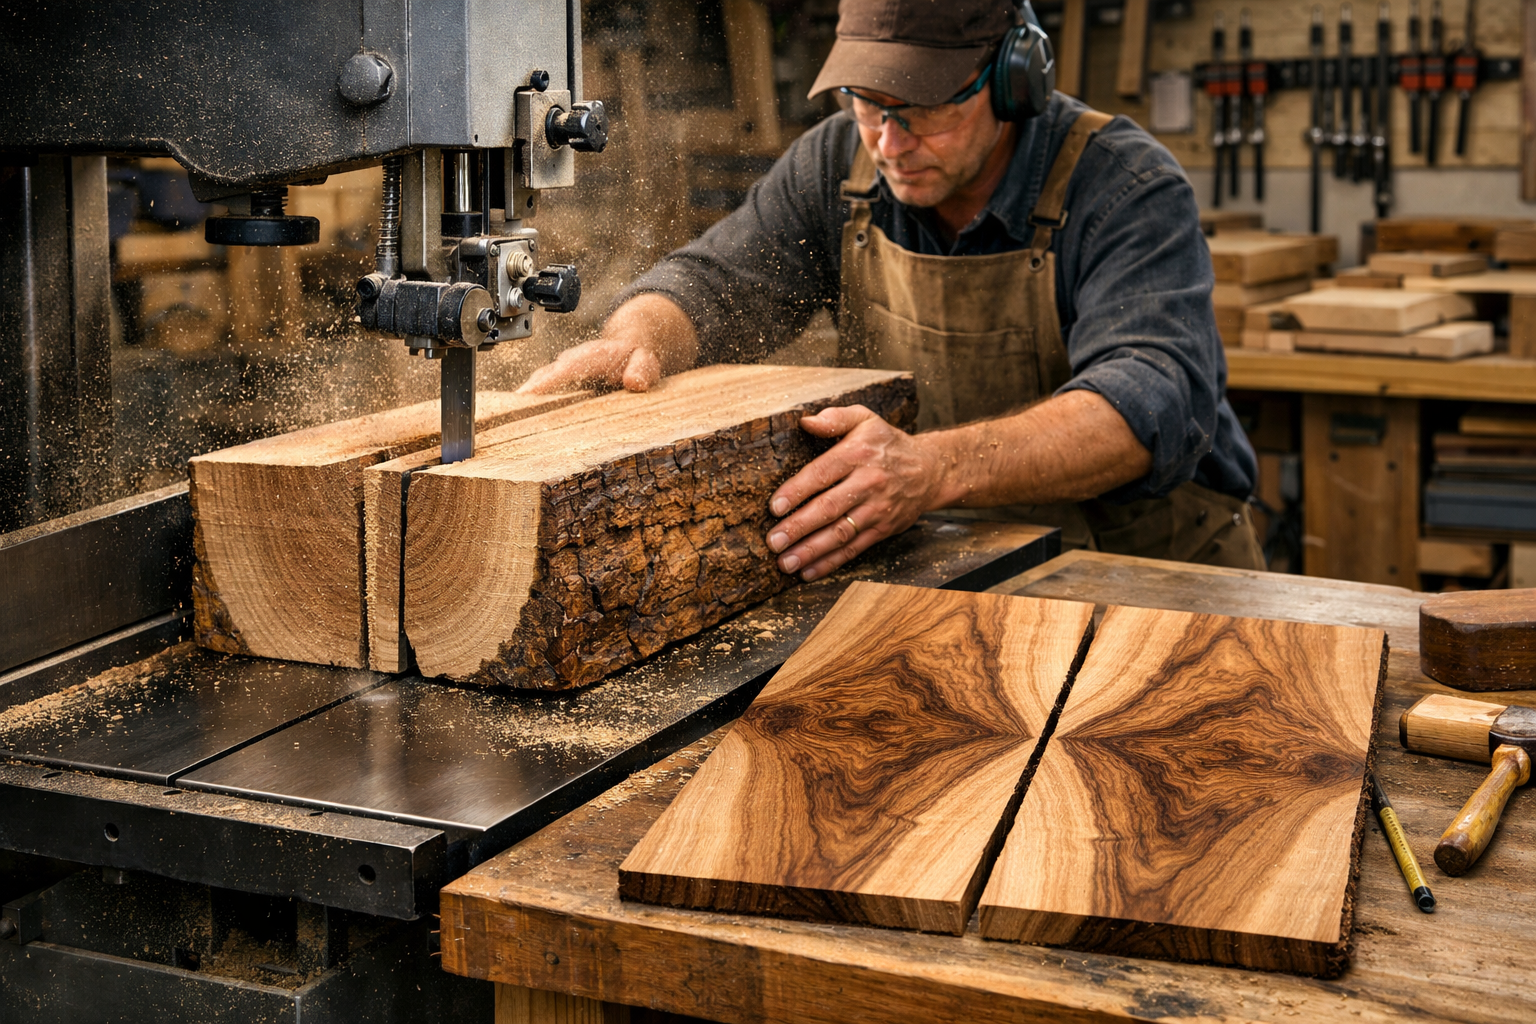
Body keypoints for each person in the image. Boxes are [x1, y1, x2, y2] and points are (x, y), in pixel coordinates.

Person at [521, 0, 1263, 583]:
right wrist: (640, 337)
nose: (888, 143)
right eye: (868, 104)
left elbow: (1146, 406)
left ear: (1013, 78)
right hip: (948, 561)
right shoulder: (837, 164)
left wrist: (933, 469)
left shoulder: (1125, 186)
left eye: (923, 109)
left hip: (1139, 571)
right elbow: (715, 285)